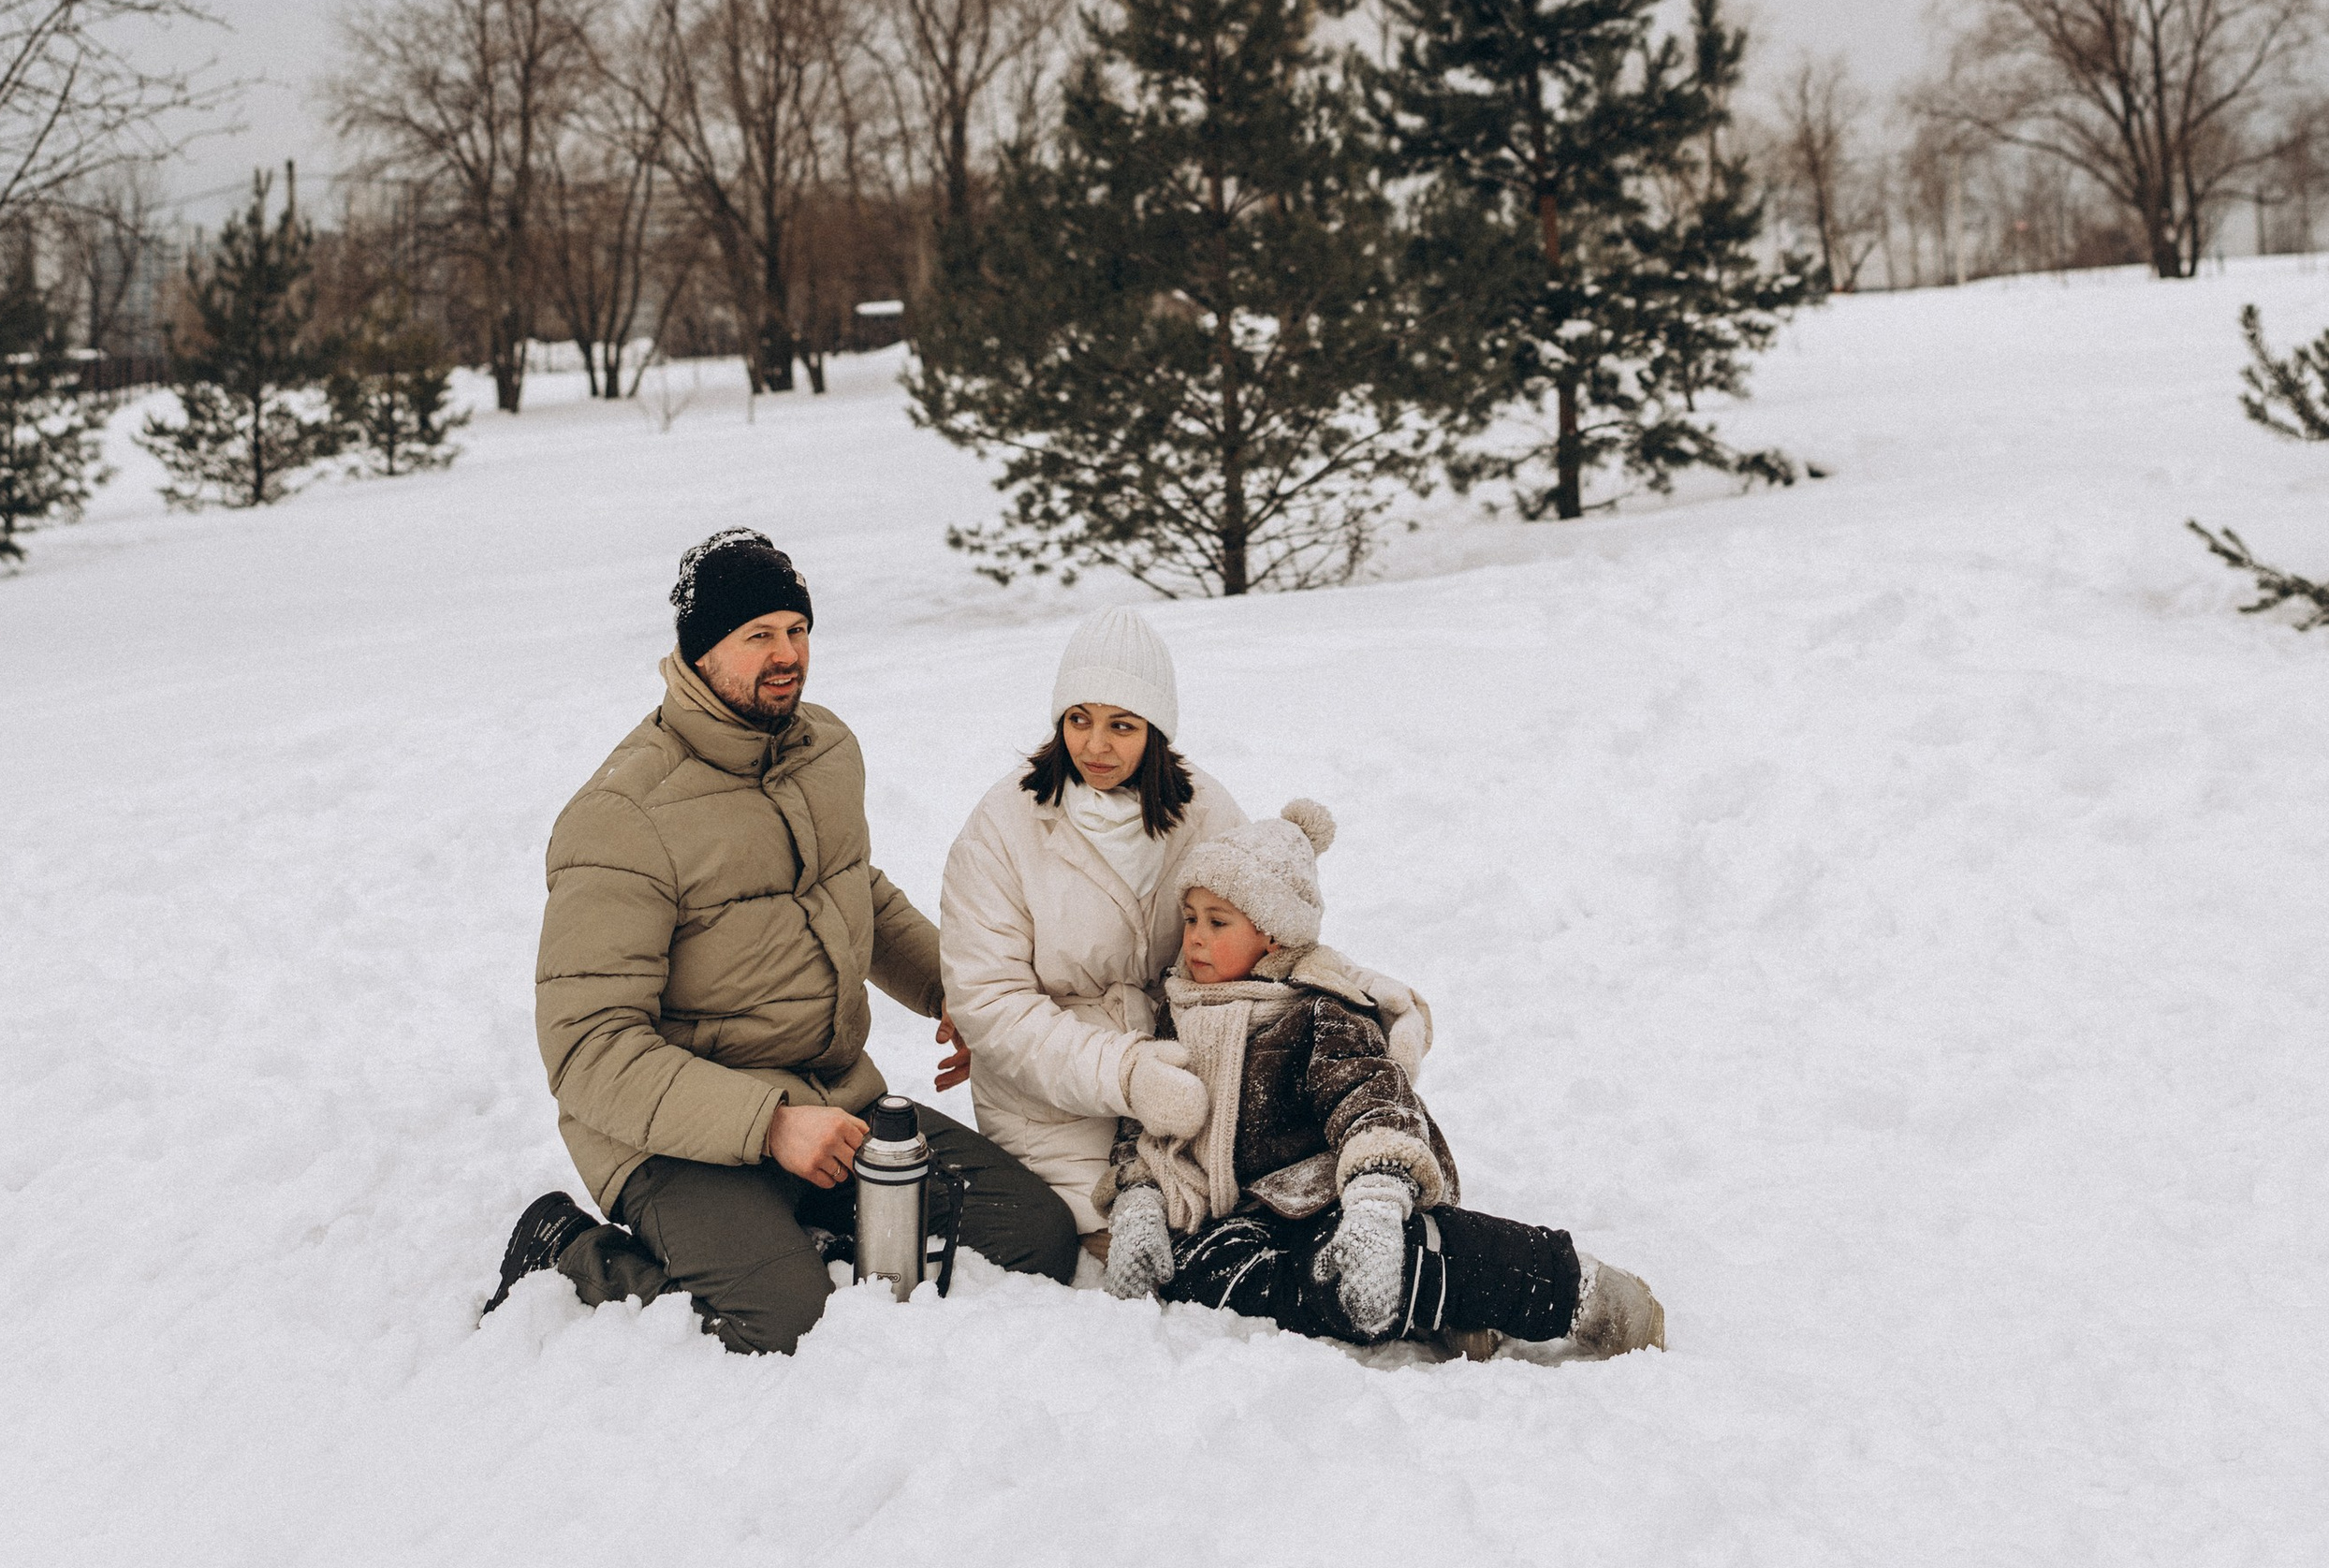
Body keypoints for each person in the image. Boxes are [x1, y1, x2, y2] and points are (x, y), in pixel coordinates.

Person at [485, 526, 1078, 1351]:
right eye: (757, 634)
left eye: (797, 629)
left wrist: (960, 993)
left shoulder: (824, 749)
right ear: (699, 651)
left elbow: (856, 891)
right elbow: (587, 1047)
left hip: (831, 1102)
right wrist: (769, 1124)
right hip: (672, 1140)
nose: (787, 654)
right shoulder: (623, 816)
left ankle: (793, 1226)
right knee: (789, 1323)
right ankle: (566, 1247)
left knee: (1035, 1235)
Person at [1099, 796, 1667, 1360]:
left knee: (1373, 1260)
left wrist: (1374, 1201)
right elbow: (1147, 1123)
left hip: (1337, 1196)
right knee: (1204, 1275)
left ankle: (1574, 1290)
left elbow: (1372, 1102)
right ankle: (1438, 1308)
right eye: (1191, 918)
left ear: (1273, 934)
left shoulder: (1318, 1011)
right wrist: (1140, 1202)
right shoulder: (1180, 1012)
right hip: (1249, 1219)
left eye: (1217, 922)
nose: (1195, 937)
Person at [939, 609, 1245, 1257]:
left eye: (1121, 725)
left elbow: (1260, 935)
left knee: (1242, 1220)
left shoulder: (1206, 812)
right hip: (1048, 1106)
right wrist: (1126, 1073)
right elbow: (991, 1003)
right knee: (1143, 1250)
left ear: (1155, 730)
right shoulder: (1003, 825)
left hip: (1185, 1080)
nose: (1096, 745)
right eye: (1079, 719)